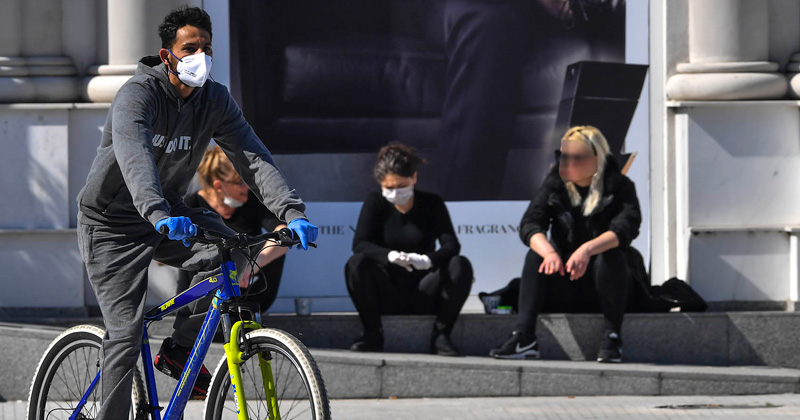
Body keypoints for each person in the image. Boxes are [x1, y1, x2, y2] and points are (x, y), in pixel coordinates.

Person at [76, 7, 318, 419]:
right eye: (190, 48)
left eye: (207, 48)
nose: (200, 56)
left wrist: (291, 211)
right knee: (125, 334)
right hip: (111, 224)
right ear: (167, 54)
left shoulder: (214, 100)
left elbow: (253, 159)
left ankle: (179, 348)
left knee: (236, 251)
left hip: (168, 213)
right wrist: (156, 212)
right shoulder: (137, 96)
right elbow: (135, 160)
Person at [489, 125, 641, 363]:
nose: (566, 163)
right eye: (563, 156)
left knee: (612, 255)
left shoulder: (620, 186)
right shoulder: (555, 184)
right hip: (564, 278)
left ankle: (611, 336)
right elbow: (530, 224)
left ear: (596, 159)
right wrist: (549, 253)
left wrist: (587, 249)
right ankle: (524, 337)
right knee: (536, 255)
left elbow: (625, 229)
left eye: (575, 157)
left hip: (605, 283)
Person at [345, 143, 473, 356]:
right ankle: (372, 333)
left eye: (401, 186)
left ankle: (441, 335)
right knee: (356, 264)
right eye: (389, 188)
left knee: (460, 265)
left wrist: (427, 260)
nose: (396, 192)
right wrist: (390, 256)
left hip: (423, 288)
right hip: (387, 290)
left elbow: (452, 245)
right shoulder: (375, 202)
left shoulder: (432, 203)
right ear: (381, 185)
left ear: (414, 178)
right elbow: (360, 244)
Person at [164, 145, 289, 359]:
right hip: (204, 289)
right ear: (218, 185)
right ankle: (193, 325)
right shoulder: (192, 204)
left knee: (272, 242)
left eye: (247, 182)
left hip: (247, 286)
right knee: (203, 249)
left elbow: (281, 232)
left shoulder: (251, 203)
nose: (246, 188)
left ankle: (246, 311)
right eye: (239, 182)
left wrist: (251, 264)